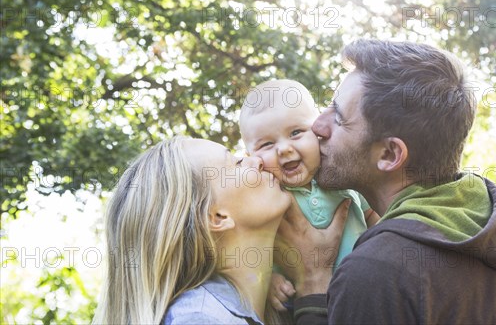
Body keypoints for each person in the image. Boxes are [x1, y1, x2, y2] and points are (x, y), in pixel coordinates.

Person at [276, 39, 496, 324]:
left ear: (390, 154)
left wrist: (313, 288)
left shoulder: (377, 271)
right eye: (328, 105)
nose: (317, 126)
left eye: (338, 118)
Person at [92, 136, 350, 324]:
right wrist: (314, 283)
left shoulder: (275, 307)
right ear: (217, 217)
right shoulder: (200, 319)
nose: (257, 161)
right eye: (237, 162)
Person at [238, 79, 379, 311]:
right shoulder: (266, 198)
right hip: (311, 305)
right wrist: (268, 281)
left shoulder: (342, 178)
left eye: (296, 132)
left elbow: (375, 219)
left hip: (364, 293)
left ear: (318, 132)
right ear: (251, 157)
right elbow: (252, 251)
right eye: (266, 145)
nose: (283, 149)